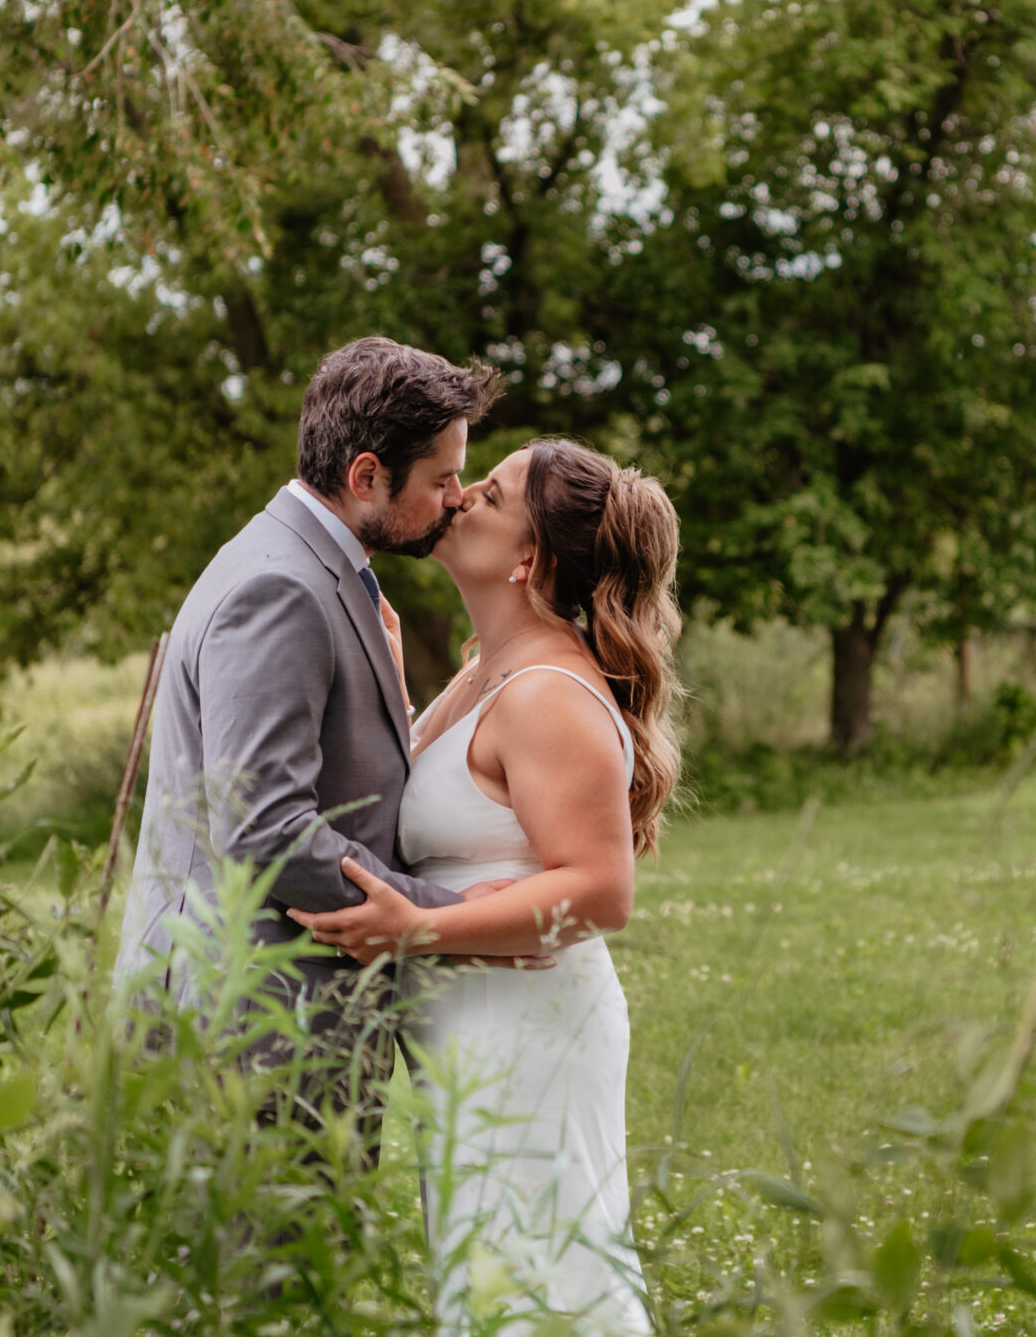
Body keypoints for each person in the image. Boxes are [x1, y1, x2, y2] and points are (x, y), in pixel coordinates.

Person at [290, 437, 683, 1336]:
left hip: (530, 1037)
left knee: (551, 1286)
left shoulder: (548, 693)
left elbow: (599, 892)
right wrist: (389, 684)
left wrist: (415, 928)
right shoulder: (484, 670)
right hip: (472, 1037)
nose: (460, 495)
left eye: (491, 493)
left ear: (528, 558)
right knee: (492, 1287)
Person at [113, 337, 499, 1063]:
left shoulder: (309, 566)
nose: (457, 498)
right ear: (366, 476)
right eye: (442, 477)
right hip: (251, 1027)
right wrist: (448, 916)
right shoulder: (282, 588)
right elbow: (267, 828)